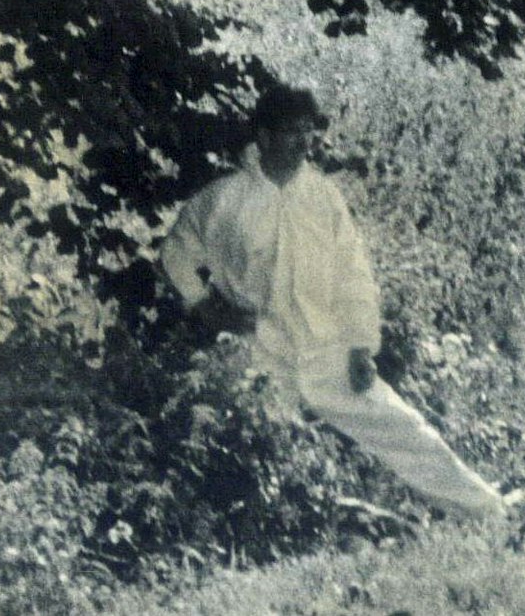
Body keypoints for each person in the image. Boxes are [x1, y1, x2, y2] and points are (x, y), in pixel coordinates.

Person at [160, 85, 506, 518]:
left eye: (309, 131)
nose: (304, 142)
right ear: (264, 138)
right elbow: (176, 253)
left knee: (402, 428)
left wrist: (362, 345)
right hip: (258, 349)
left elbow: (353, 273)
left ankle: (486, 512)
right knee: (244, 444)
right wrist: (203, 303)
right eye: (291, 132)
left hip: (326, 346)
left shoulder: (323, 196)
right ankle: (245, 530)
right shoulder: (224, 200)